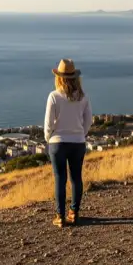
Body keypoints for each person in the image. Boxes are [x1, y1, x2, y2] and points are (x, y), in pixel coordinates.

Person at [44, 58, 92, 228]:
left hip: (58, 143)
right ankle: (74, 213)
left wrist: (48, 138)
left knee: (60, 178)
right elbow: (89, 121)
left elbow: (48, 124)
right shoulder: (83, 97)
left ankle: (60, 216)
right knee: (76, 178)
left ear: (58, 77)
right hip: (78, 142)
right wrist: (81, 134)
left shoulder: (54, 96)